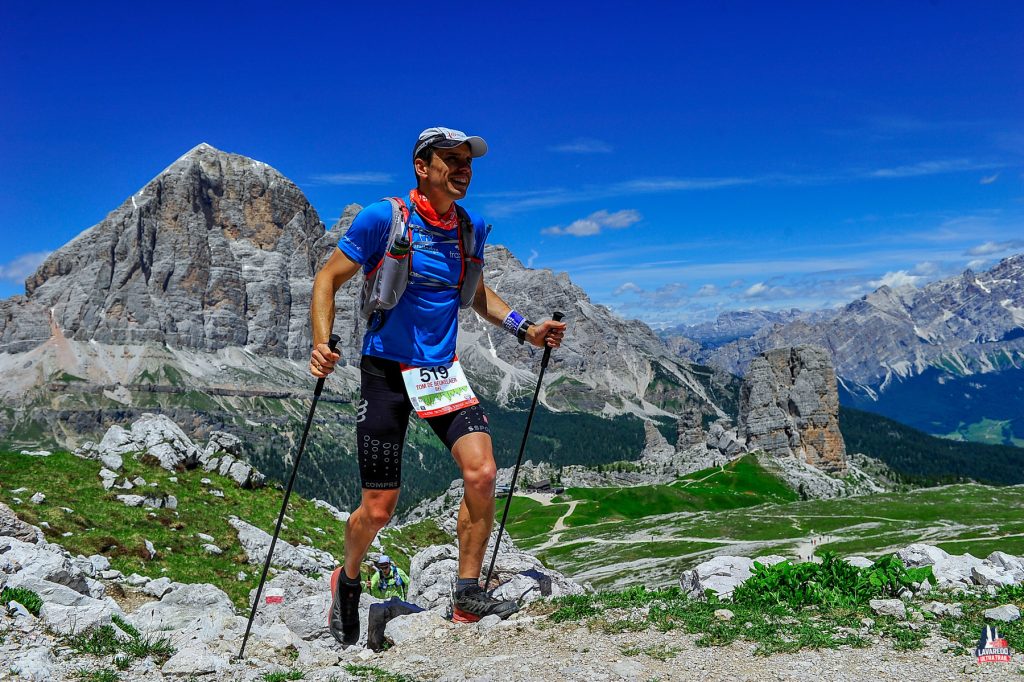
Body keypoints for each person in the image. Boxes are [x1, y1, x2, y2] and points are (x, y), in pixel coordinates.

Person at [310, 126, 566, 645]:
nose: (463, 167)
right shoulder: (385, 218)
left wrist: (526, 329)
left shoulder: (466, 229)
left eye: (467, 161)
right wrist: (321, 342)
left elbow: (475, 294)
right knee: (379, 508)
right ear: (422, 168)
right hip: (384, 370)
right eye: (450, 159)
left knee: (483, 471)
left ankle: (467, 593)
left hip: (439, 371)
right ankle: (349, 576)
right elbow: (327, 278)